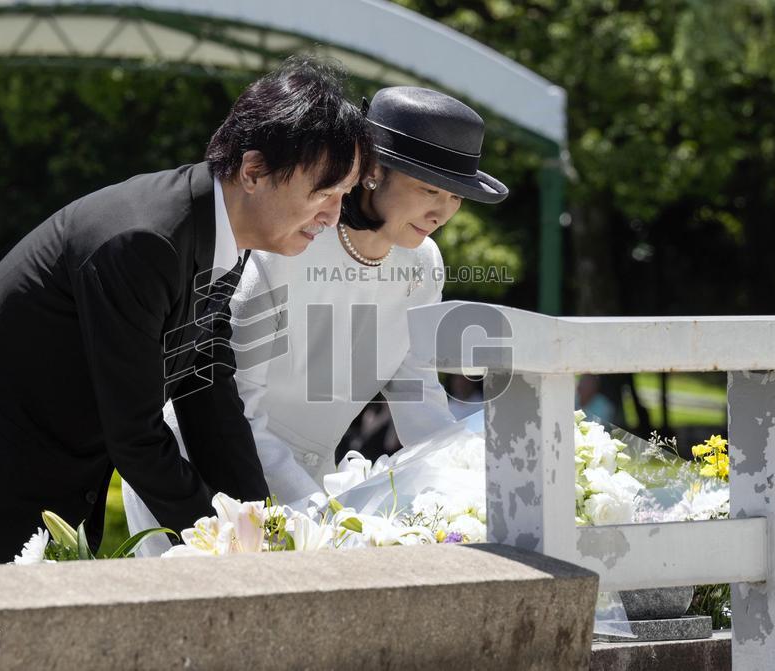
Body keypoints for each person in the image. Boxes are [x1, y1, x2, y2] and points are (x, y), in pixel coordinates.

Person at [0, 56, 372, 566]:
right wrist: (227, 549)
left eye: (344, 195)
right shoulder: (143, 240)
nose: (332, 216)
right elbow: (135, 433)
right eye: (321, 192)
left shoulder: (224, 235)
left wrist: (261, 525)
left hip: (52, 466)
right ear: (254, 171)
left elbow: (208, 394)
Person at [124, 86, 508, 555]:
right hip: (203, 471)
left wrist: (468, 497)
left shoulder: (423, 263)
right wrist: (318, 515)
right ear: (372, 172)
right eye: (429, 189)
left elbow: (418, 397)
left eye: (455, 196)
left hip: (315, 484)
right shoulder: (293, 241)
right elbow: (236, 404)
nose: (443, 212)